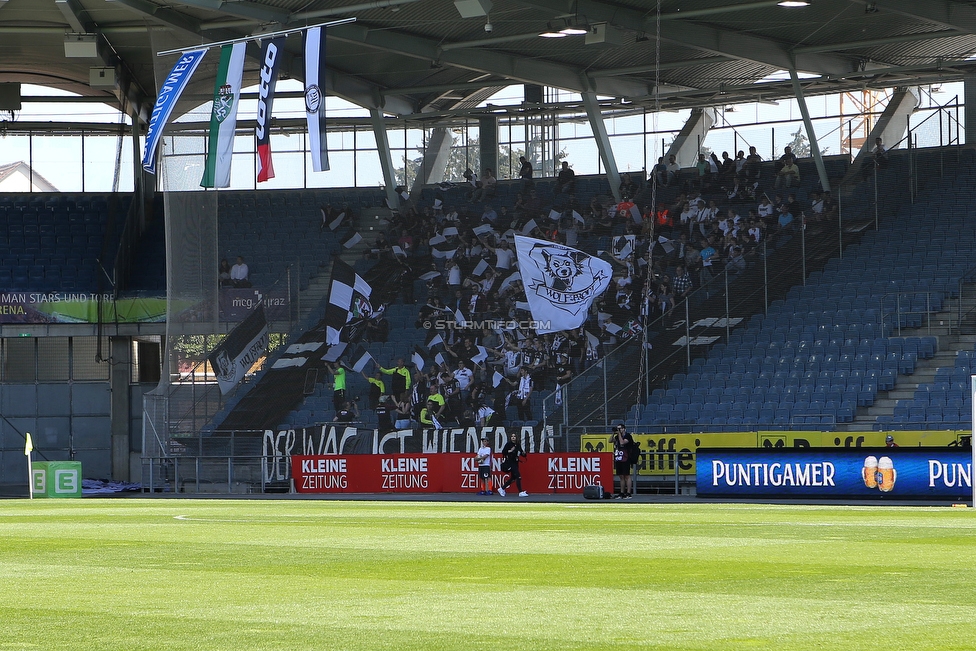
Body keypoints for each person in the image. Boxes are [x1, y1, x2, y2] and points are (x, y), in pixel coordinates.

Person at [497, 431, 528, 497]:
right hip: (510, 462)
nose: (513, 437)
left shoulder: (518, 445)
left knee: (513, 478)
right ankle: (520, 492)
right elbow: (504, 452)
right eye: (512, 436)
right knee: (518, 477)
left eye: (514, 436)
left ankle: (502, 488)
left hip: (516, 462)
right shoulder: (508, 444)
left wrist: (524, 454)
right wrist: (510, 450)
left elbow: (522, 454)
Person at [611, 424, 636, 499]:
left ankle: (628, 493)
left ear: (624, 429)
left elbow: (622, 442)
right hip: (619, 457)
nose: (619, 430)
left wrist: (619, 435)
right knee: (621, 476)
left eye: (620, 429)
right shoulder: (617, 437)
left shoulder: (628, 436)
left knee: (627, 475)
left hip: (626, 457)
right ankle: (622, 492)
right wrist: (613, 433)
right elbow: (610, 440)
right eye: (618, 429)